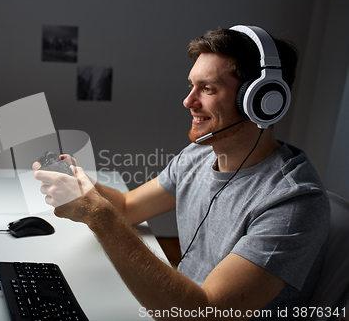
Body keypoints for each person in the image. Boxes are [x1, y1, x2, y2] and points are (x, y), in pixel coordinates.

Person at [33, 26, 330, 320]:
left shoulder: (293, 202)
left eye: (208, 88)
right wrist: (80, 184)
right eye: (191, 86)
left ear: (263, 102)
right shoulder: (200, 154)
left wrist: (100, 218)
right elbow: (127, 208)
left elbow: (204, 315)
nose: (189, 101)